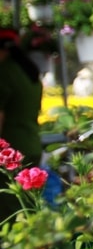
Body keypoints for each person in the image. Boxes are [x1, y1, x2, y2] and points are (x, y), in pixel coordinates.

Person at [0, 28, 43, 226]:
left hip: (9, 152)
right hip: (31, 144)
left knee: (10, 210)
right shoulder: (28, 70)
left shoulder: (5, 72)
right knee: (28, 206)